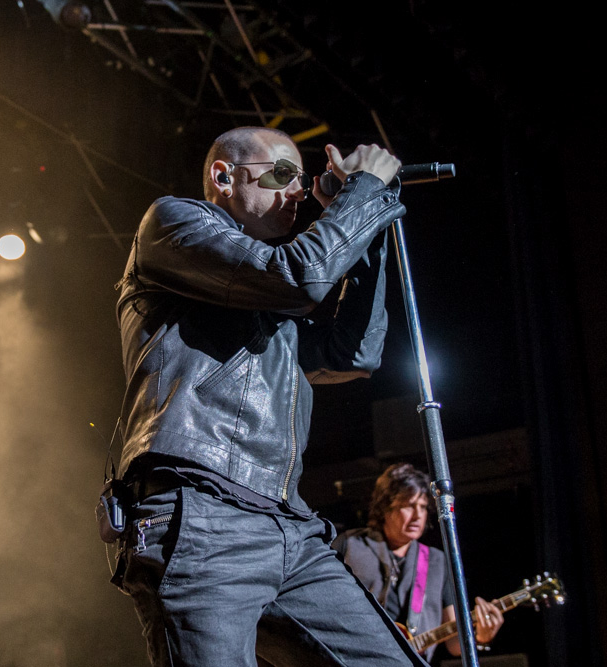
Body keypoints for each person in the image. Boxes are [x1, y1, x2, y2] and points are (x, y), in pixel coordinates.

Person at [108, 126, 428, 667]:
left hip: (290, 528)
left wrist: (365, 226)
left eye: (300, 179)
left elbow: (353, 353)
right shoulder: (171, 222)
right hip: (202, 513)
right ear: (223, 177)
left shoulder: (271, 301)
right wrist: (361, 191)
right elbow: (299, 277)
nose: (297, 191)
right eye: (281, 174)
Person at [333, 463, 504, 662]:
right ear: (385, 508)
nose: (418, 515)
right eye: (408, 505)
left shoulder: (437, 562)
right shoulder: (349, 545)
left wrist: (481, 637)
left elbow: (454, 644)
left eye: (423, 507)